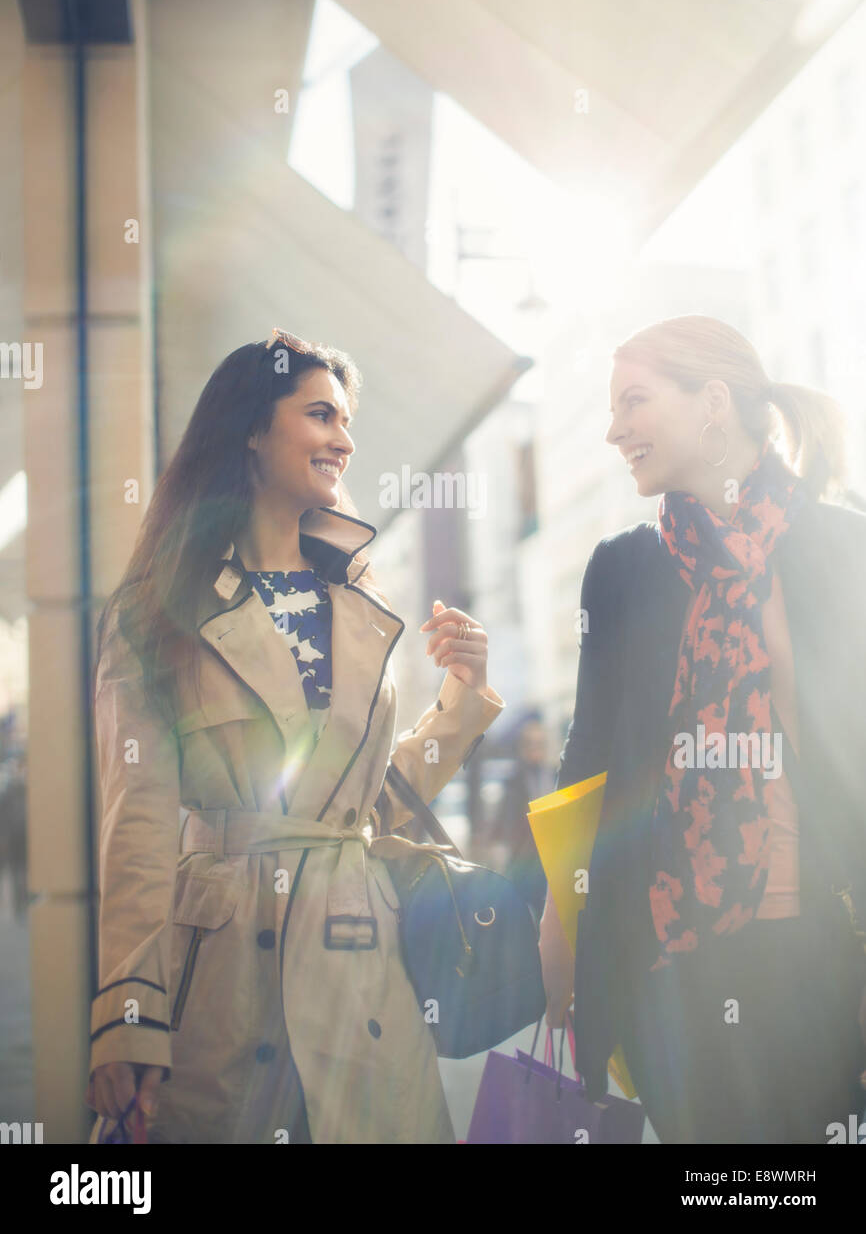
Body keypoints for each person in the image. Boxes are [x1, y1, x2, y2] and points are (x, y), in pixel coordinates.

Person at [84, 327, 504, 1144]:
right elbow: (136, 829)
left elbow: (363, 800)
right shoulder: (156, 609)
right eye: (320, 415)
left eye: (347, 422)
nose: (344, 441)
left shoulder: (360, 598)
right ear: (249, 427)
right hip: (225, 977)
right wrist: (128, 1017)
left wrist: (464, 697)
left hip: (366, 974)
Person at [539, 315, 866, 1144]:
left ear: (712, 403)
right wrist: (560, 918)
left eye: (634, 402)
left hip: (821, 942)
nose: (614, 430)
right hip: (668, 960)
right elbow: (591, 756)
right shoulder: (624, 570)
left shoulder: (841, 550)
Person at [489, 713, 550, 922]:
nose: (535, 749)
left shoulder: (552, 775)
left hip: (549, 862)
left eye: (539, 744)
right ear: (523, 747)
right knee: (522, 918)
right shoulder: (513, 780)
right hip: (523, 860)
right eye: (530, 744)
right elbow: (504, 823)